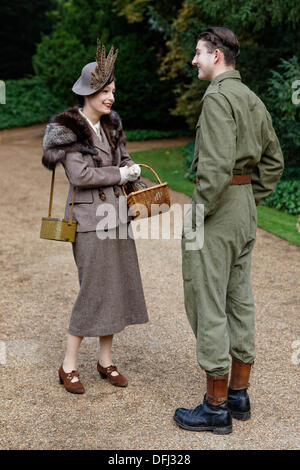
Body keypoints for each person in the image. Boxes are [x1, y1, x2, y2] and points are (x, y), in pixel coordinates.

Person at [173, 27, 284, 434]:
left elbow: (215, 169)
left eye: (198, 53)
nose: (193, 60)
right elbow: (273, 162)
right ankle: (239, 394)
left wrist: (198, 213)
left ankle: (216, 407)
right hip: (242, 208)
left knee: (208, 300)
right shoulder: (251, 98)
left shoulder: (218, 98)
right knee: (239, 299)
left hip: (217, 211)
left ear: (216, 55)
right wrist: (249, 200)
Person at [42, 40, 149, 394]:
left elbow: (123, 160)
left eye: (113, 91)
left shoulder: (112, 124)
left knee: (115, 288)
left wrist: (133, 170)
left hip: (116, 217)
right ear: (89, 91)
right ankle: (68, 365)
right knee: (93, 290)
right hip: (88, 222)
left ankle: (105, 361)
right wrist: (120, 176)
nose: (111, 97)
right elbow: (81, 176)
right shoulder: (68, 128)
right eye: (106, 91)